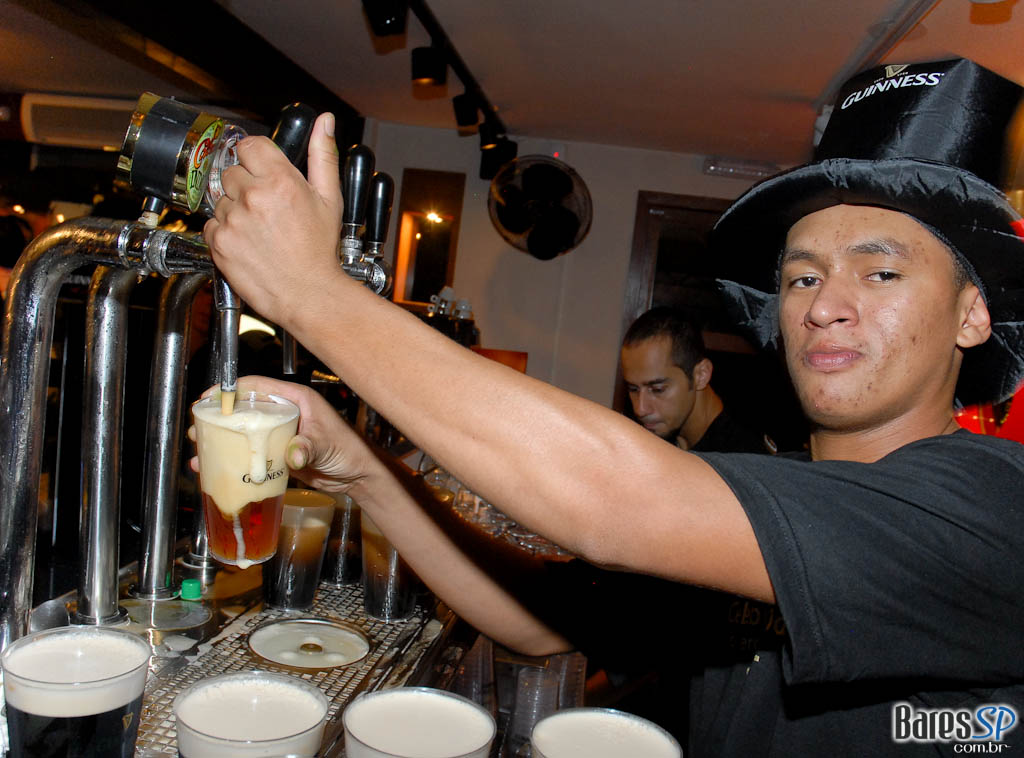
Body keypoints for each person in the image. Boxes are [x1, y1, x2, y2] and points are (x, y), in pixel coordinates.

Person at [202, 57, 1024, 755]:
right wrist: (363, 472)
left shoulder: (993, 507)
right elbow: (544, 623)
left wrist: (313, 295)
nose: (824, 305)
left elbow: (616, 500)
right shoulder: (759, 505)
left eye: (881, 273)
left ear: (972, 314)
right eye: (803, 277)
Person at [621, 306, 773, 452]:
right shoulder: (651, 440)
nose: (640, 409)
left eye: (657, 389)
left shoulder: (742, 459)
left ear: (701, 375)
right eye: (633, 389)